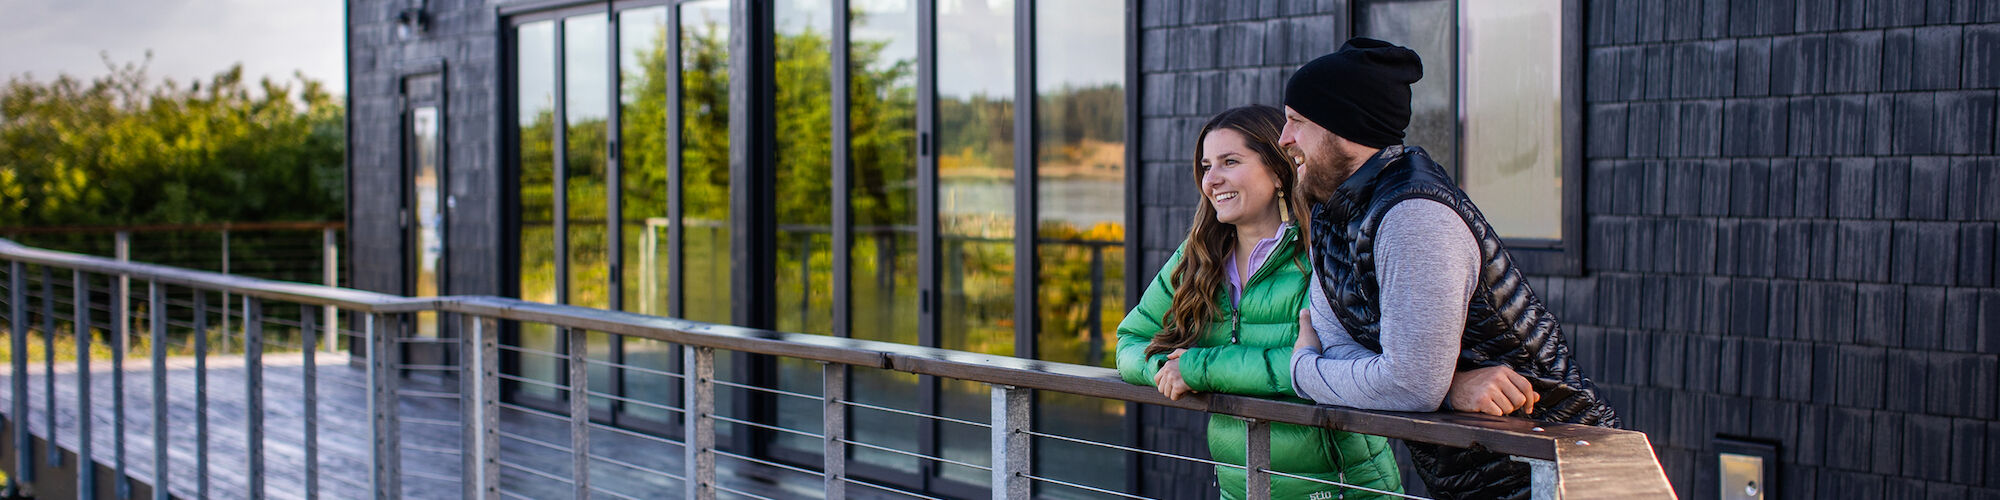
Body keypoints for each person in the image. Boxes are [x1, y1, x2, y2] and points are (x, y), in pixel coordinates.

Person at [1279, 38, 1620, 499]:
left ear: (1344, 127)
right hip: (1472, 471)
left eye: (1297, 121)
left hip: (1556, 472)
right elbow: (1344, 349)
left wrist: (1302, 369)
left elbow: (1402, 383)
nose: (1284, 139)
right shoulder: (1333, 216)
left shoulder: (1413, 215)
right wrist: (1448, 387)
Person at [1116, 105, 1403, 500]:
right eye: (1205, 166)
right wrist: (1166, 372)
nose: (1211, 180)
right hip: (1242, 488)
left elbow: (1323, 369)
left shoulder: (1321, 250)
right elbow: (1130, 341)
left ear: (1276, 167)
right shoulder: (1197, 257)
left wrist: (1198, 367)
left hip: (1342, 488)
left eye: (1229, 162)